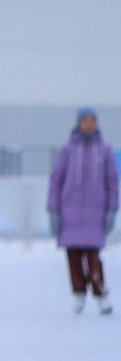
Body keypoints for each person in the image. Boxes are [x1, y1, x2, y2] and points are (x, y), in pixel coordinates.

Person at [47, 108, 117, 315]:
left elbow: (112, 182)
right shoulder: (67, 151)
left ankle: (100, 292)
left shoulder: (104, 151)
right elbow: (56, 181)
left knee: (93, 256)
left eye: (92, 120)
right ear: (79, 123)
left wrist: (112, 208)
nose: (89, 124)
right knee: (73, 255)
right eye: (85, 121)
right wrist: (53, 209)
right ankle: (78, 292)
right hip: (70, 212)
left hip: (94, 214)